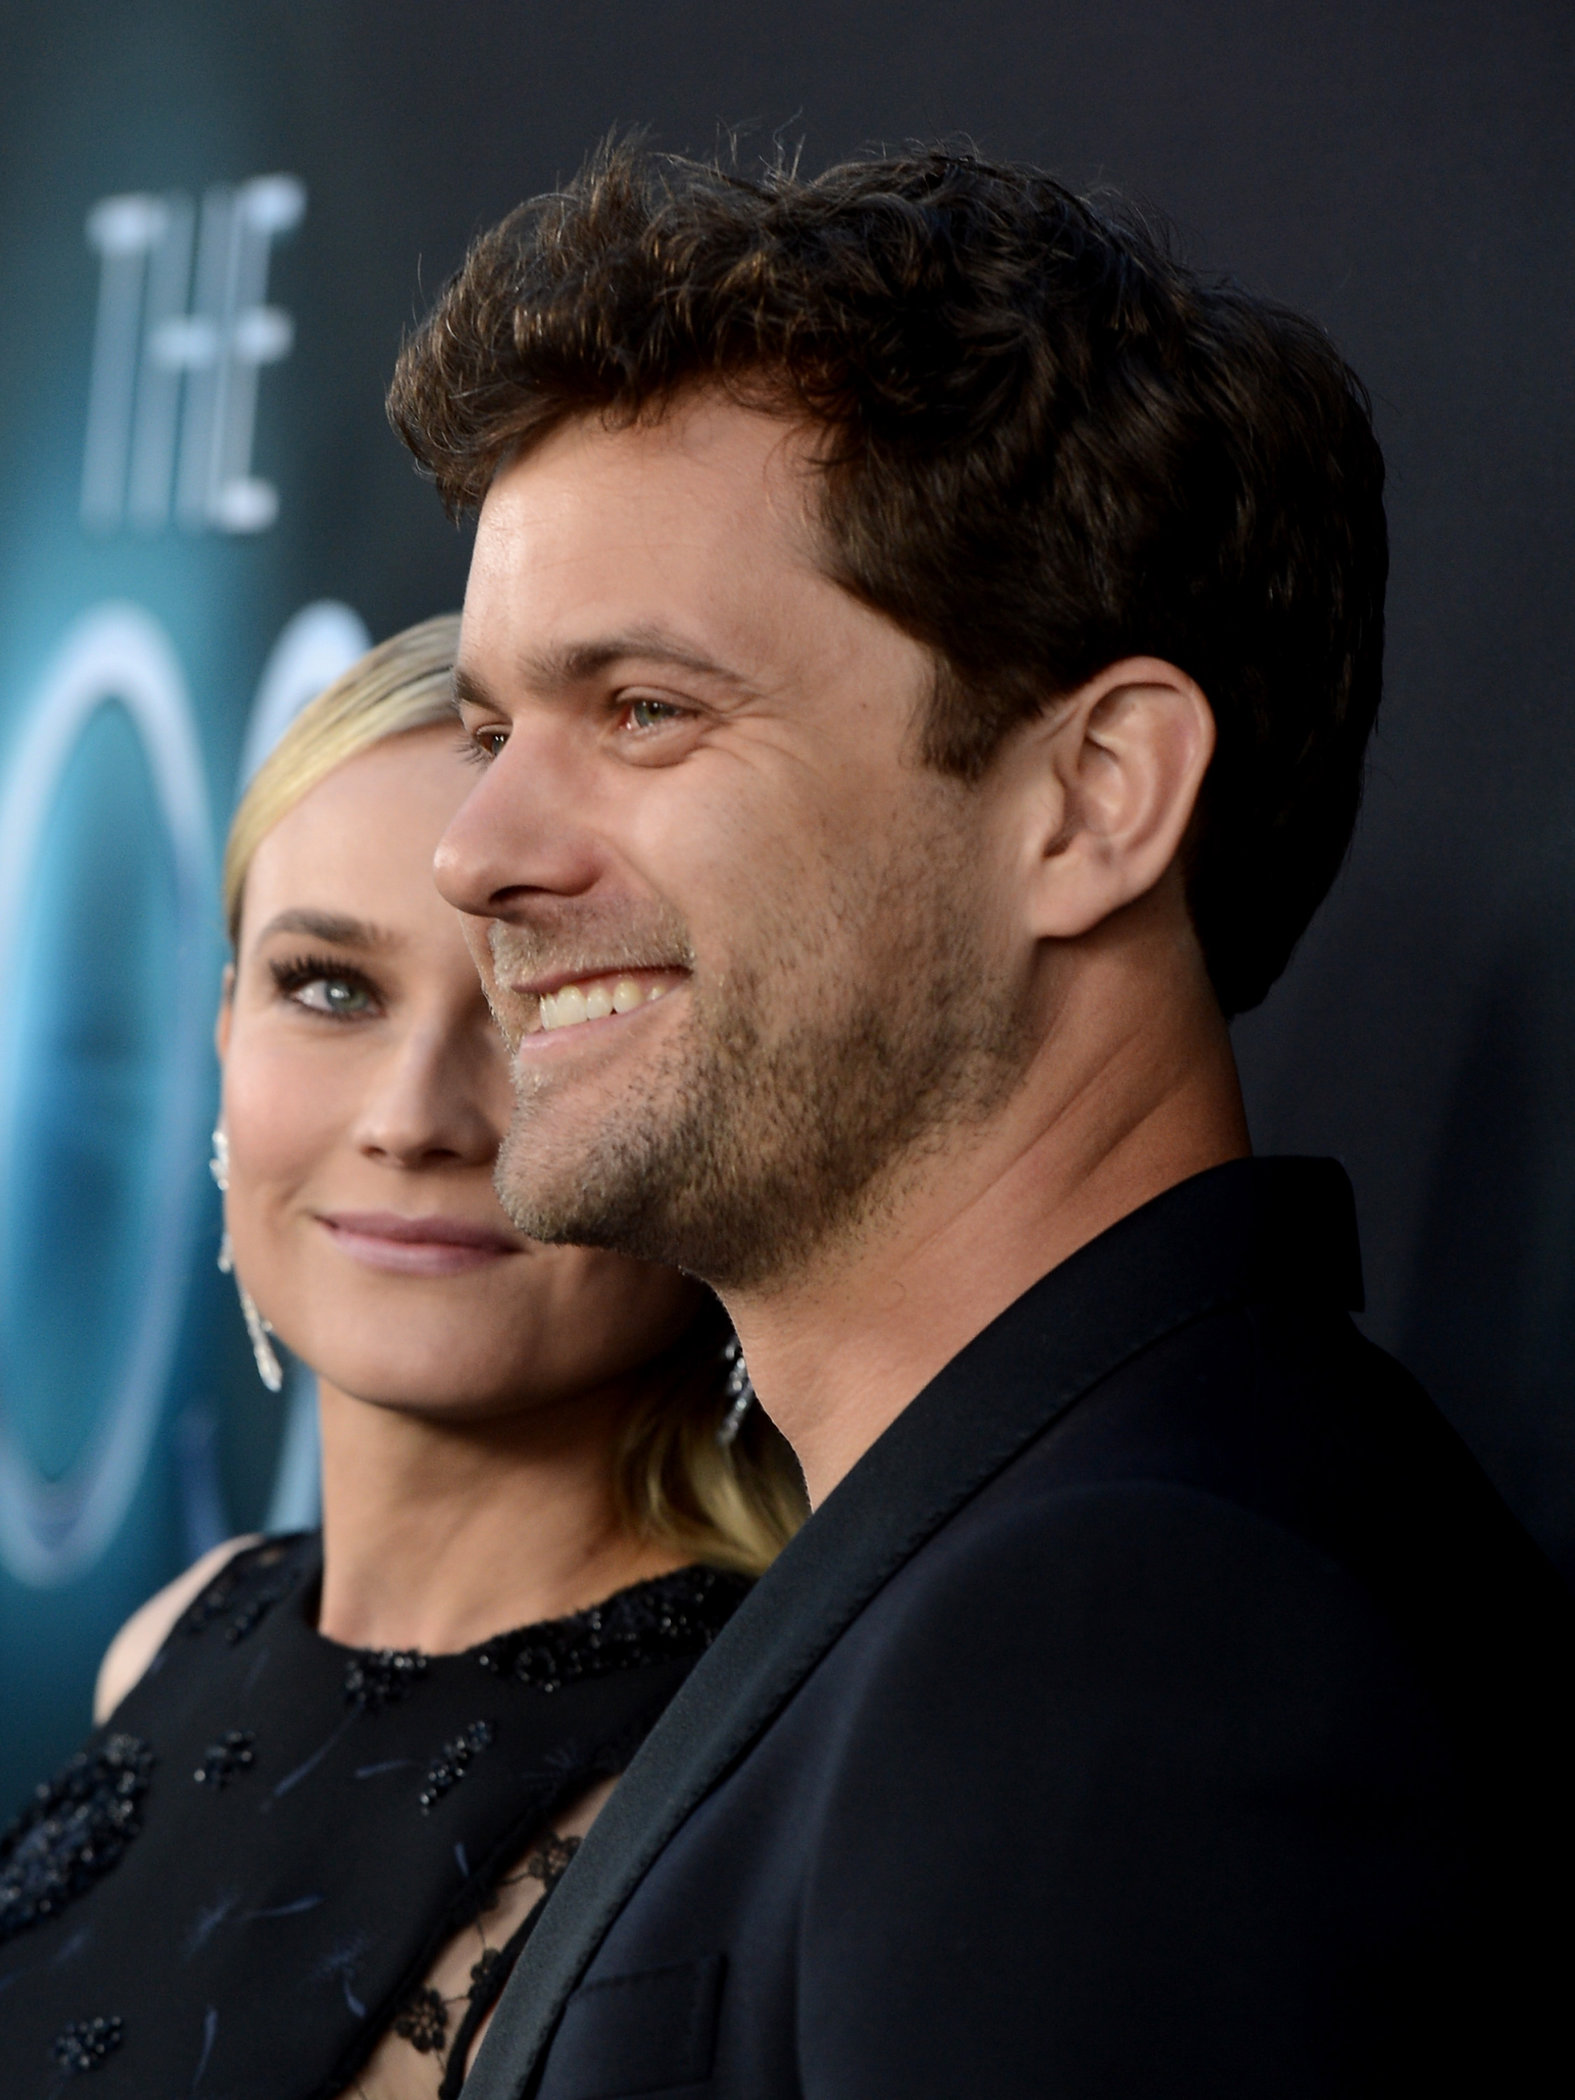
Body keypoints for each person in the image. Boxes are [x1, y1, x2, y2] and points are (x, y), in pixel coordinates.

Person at [388, 145, 1575, 2096]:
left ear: (1093, 798)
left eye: (646, 713)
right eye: (493, 730)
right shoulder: (1034, 1536)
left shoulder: (1139, 1642)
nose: (476, 851)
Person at [0, 617, 804, 2100]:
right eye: (330, 987)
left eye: (539, 1003)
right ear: (222, 1033)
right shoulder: (172, 1642)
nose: (416, 1115)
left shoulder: (777, 1764)